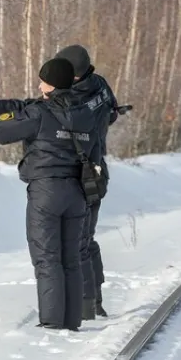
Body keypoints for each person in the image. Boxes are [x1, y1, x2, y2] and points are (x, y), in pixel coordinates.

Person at [0, 57, 99, 331]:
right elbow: (21, 107)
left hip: (46, 192)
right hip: (77, 192)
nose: (39, 84)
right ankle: (71, 323)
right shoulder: (86, 114)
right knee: (70, 258)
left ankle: (51, 325)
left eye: (43, 80)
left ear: (51, 85)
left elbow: (1, 130)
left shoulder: (40, 113)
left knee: (47, 259)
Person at [54, 45, 121, 319]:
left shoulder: (71, 98)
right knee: (86, 239)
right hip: (96, 169)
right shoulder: (100, 84)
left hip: (80, 173)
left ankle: (86, 304)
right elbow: (114, 113)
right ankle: (95, 299)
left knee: (77, 241)